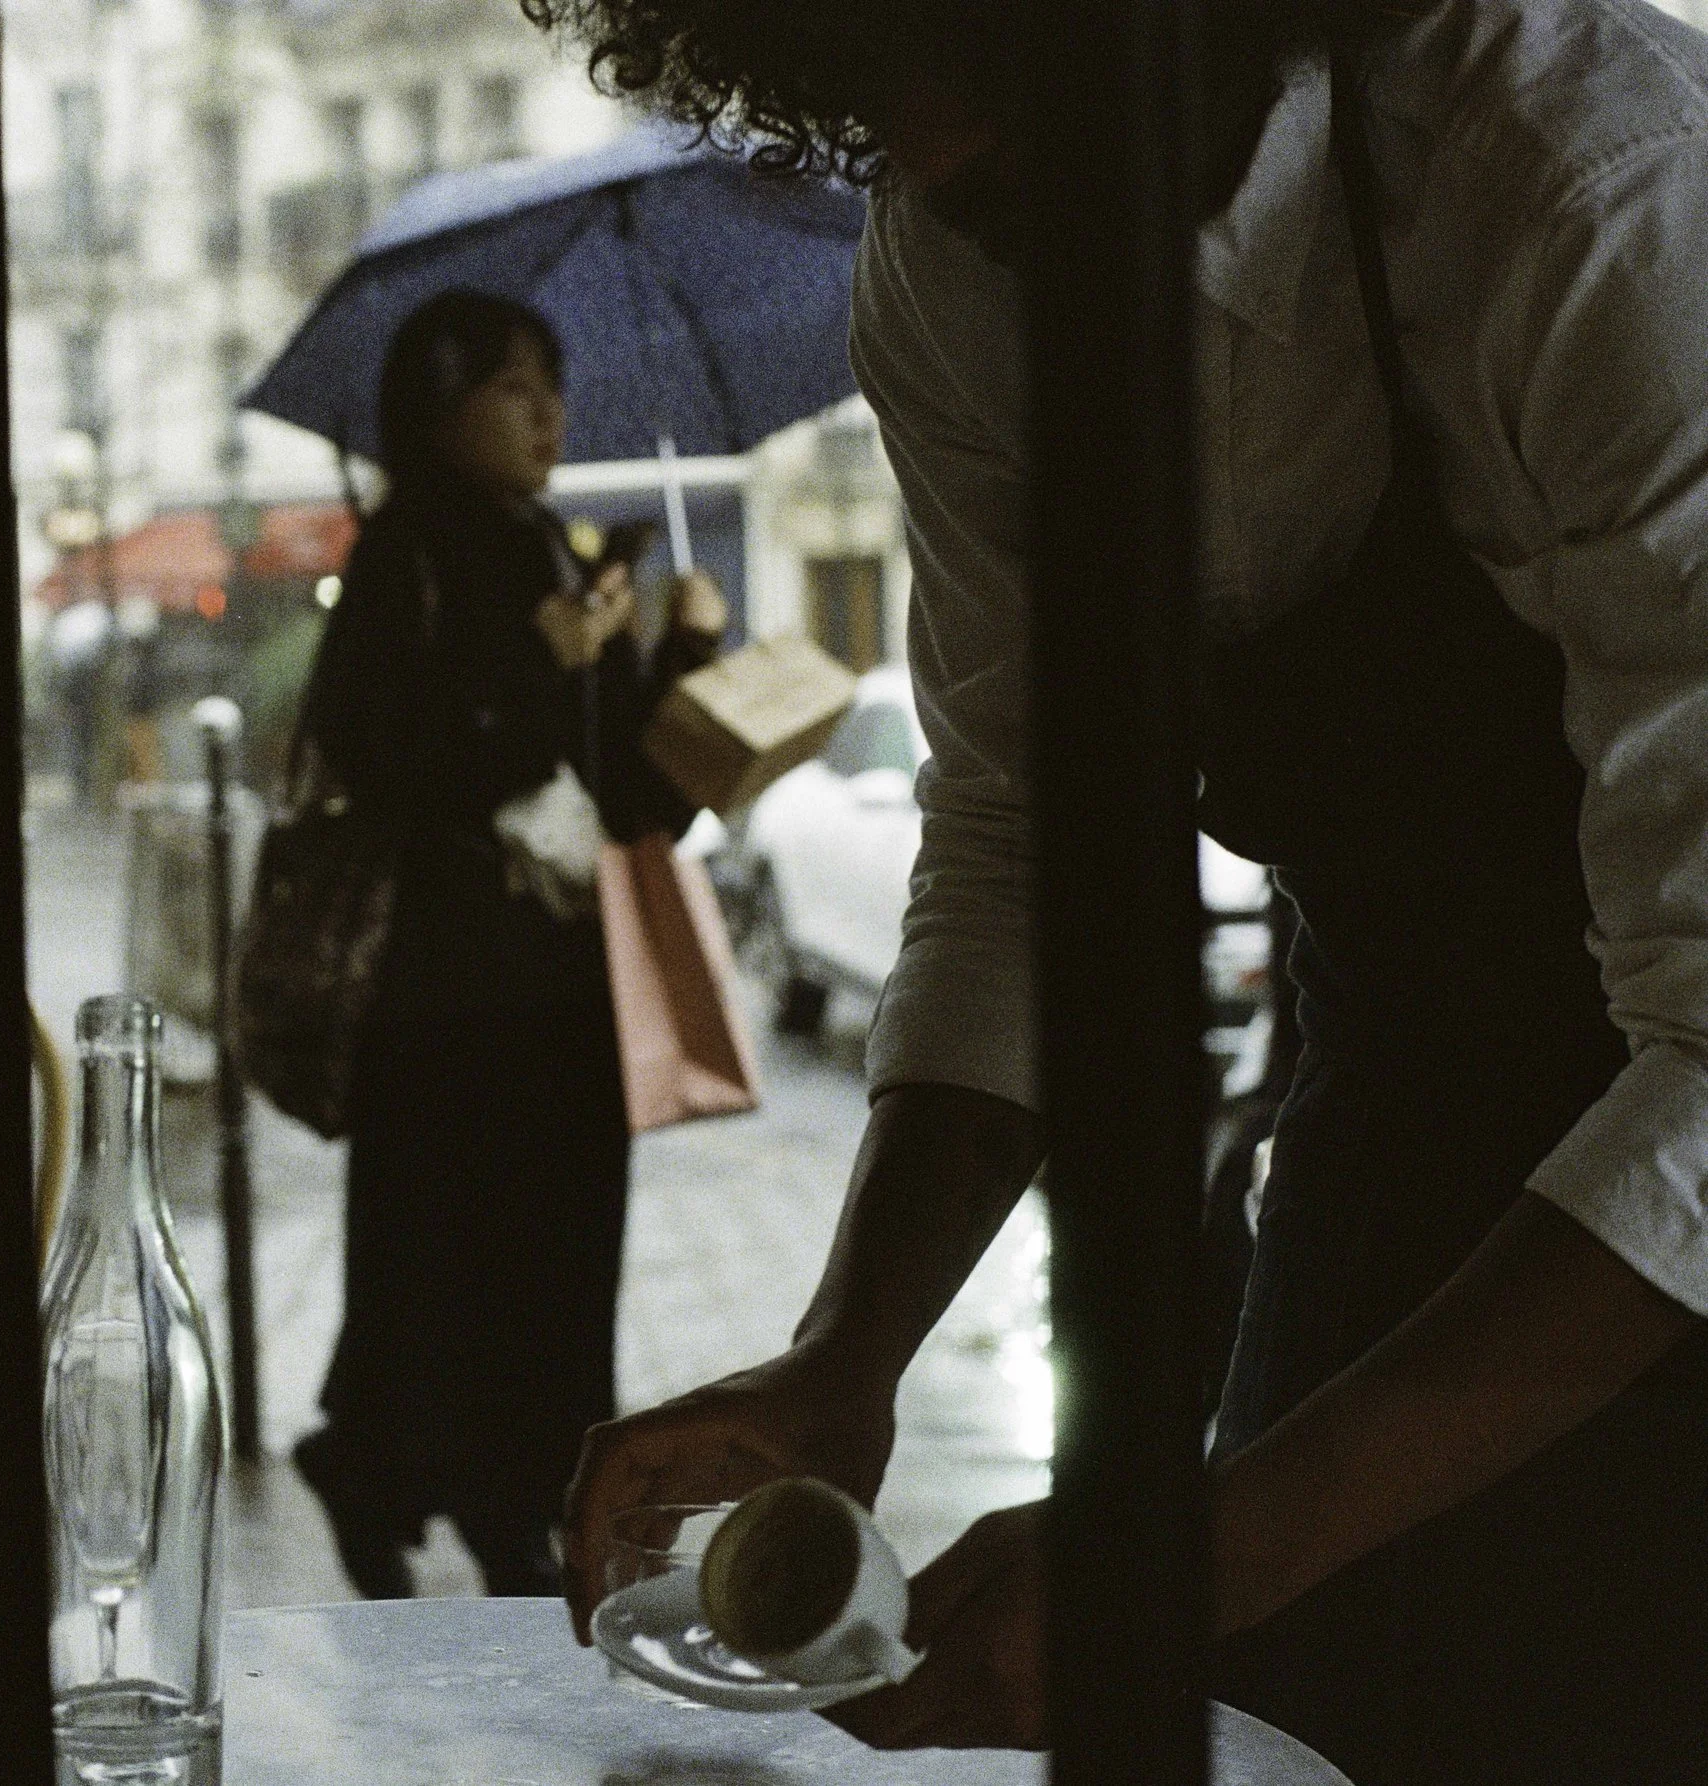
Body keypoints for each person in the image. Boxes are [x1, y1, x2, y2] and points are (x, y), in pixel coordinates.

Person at [524, 0, 1708, 1777]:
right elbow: (1024, 839)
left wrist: (1195, 1550)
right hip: (1393, 1094)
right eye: (866, 77)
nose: (927, 149)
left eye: (975, 50)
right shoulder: (951, 263)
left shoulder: (1593, 180)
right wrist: (850, 1349)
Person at [288, 289, 730, 1597]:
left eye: (555, 380)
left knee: (559, 1247)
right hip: (442, 988)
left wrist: (688, 659)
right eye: (515, 385)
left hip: (562, 979)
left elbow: (630, 795)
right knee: (442, 1253)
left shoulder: (555, 545)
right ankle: (405, 1474)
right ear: (440, 405)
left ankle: (524, 1489)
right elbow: (381, 759)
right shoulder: (405, 552)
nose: (552, 411)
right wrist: (545, 660)